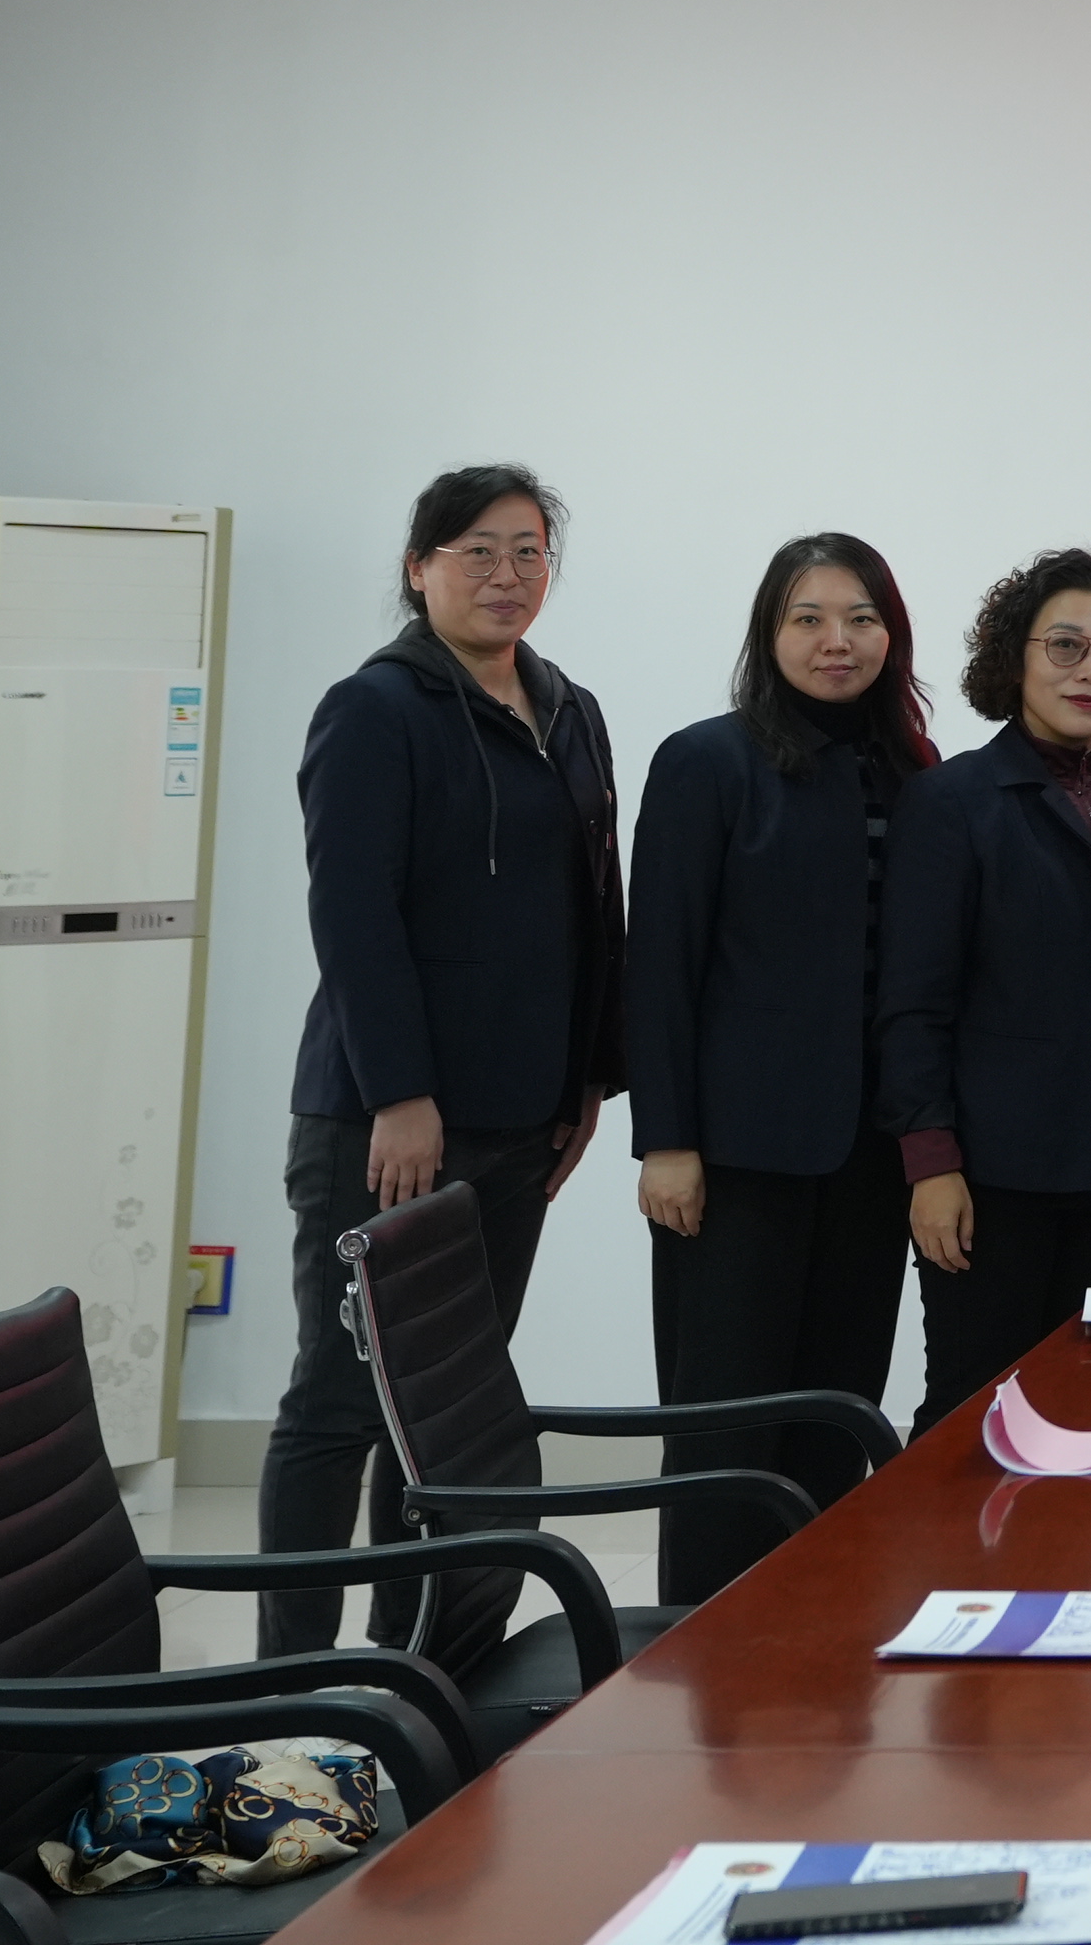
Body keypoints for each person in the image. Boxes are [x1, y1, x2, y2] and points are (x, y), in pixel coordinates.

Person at [264, 464, 623, 1652]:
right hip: (384, 1124)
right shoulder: (374, 710)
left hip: (523, 1119)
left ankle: (410, 1666)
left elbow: (594, 909)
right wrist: (402, 1095)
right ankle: (288, 1679)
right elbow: (352, 916)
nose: (506, 575)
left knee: (444, 1412)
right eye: (478, 551)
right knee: (340, 1403)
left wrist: (589, 1082)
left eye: (528, 552)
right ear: (419, 569)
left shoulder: (568, 711)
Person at [625, 534, 933, 1605]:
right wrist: (667, 1141)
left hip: (869, 1157)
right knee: (723, 1428)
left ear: (891, 635)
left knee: (833, 1416)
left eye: (861, 618)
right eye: (808, 618)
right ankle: (699, 1650)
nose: (836, 641)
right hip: (734, 1158)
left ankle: (808, 1643)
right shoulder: (706, 762)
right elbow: (659, 965)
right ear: (770, 633)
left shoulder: (913, 772)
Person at [876, 546, 1091, 1428]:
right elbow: (914, 1001)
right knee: (976, 1409)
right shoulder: (951, 800)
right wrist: (931, 1164)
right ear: (1015, 659)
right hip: (991, 1177)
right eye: (1066, 646)